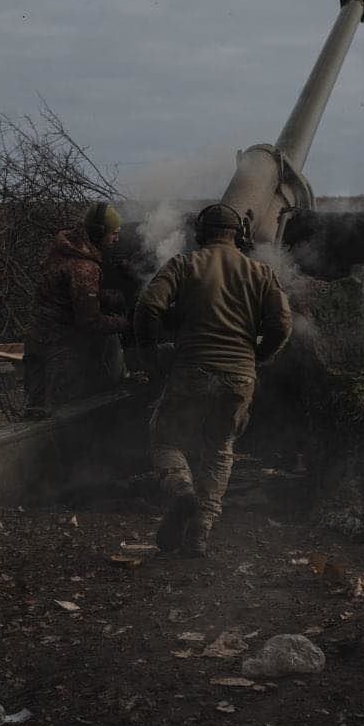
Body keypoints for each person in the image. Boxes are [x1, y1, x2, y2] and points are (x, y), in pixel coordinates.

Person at [133, 203, 292, 557]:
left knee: (166, 441)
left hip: (191, 370)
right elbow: (282, 324)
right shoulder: (260, 272)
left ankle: (179, 491)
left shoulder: (184, 264)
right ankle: (200, 533)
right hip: (239, 377)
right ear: (240, 235)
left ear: (201, 233)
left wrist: (150, 355)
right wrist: (258, 357)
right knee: (220, 451)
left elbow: (148, 307)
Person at [23, 202, 130, 415]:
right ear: (99, 232)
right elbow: (89, 322)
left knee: (35, 411)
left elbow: (65, 292)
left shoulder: (64, 248)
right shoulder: (84, 267)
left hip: (37, 341)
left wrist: (104, 296)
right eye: (113, 233)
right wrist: (125, 324)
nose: (116, 239)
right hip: (60, 350)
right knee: (63, 420)